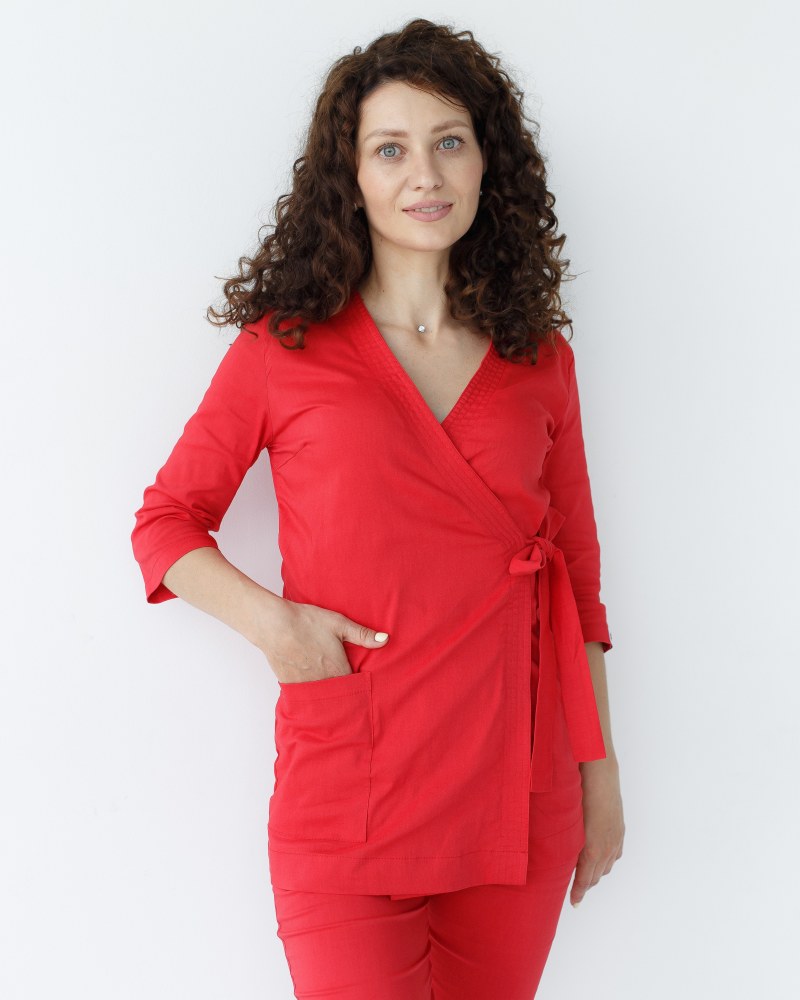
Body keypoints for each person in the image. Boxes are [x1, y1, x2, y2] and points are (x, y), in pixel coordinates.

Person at [131, 17, 625, 1000]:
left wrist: (598, 775)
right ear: (349, 176)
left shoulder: (541, 360)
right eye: (390, 148)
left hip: (518, 787)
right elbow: (166, 521)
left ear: (486, 161)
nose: (424, 174)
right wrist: (279, 629)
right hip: (350, 786)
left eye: (449, 141)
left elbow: (577, 581)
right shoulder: (283, 349)